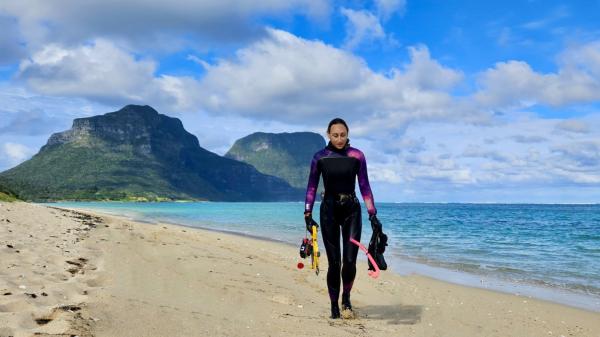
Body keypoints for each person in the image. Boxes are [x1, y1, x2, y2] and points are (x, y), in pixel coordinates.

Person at [304, 117, 383, 319]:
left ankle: (346, 298)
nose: (339, 139)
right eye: (335, 135)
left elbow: (365, 186)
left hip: (352, 210)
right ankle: (334, 306)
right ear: (328, 135)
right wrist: (307, 213)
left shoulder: (357, 156)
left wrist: (372, 214)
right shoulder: (319, 157)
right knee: (334, 263)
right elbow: (312, 186)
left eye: (343, 135)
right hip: (328, 210)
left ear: (347, 135)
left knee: (349, 261)